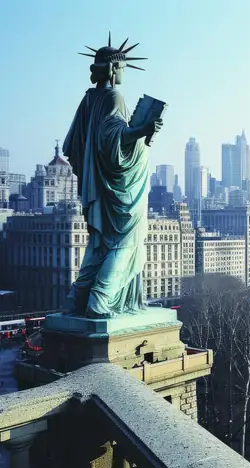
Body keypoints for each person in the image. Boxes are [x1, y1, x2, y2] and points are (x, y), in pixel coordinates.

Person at [63, 36, 162, 317]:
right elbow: (112, 138)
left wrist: (142, 131)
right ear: (115, 68)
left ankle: (76, 300)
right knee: (124, 244)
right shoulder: (113, 97)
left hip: (100, 184)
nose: (124, 74)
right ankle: (100, 301)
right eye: (124, 68)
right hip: (120, 187)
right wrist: (144, 129)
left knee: (99, 244)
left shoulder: (90, 98)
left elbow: (85, 142)